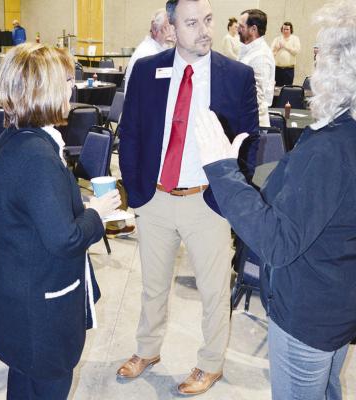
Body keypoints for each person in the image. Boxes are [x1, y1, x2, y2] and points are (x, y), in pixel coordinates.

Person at [194, 0, 356, 398]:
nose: (313, 67)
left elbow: (278, 241)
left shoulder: (331, 149)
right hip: (337, 303)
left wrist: (221, 170)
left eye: (319, 56)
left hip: (308, 316)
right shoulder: (342, 133)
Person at [117, 0, 258, 396]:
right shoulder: (147, 70)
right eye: (192, 23)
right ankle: (147, 350)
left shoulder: (237, 75)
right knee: (152, 286)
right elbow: (129, 132)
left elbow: (251, 141)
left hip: (207, 201)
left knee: (214, 290)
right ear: (172, 28)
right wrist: (136, 190)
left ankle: (210, 364)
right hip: (155, 198)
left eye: (208, 20)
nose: (204, 30)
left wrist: (231, 193)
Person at [0, 43, 121, 399]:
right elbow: (64, 240)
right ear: (42, 89)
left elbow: (34, 215)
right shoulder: (37, 155)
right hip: (40, 314)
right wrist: (97, 215)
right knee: (47, 386)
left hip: (16, 301)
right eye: (65, 80)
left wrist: (74, 205)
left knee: (23, 384)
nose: (71, 87)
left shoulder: (11, 139)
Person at [105, 9, 172, 240]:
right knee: (137, 177)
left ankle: (118, 219)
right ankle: (116, 219)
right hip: (141, 126)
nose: (172, 33)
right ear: (158, 29)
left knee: (137, 175)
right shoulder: (147, 55)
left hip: (143, 124)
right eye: (169, 28)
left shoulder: (157, 50)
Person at [238, 9, 275, 128]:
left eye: (241, 27)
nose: (238, 30)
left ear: (253, 29)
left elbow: (256, 99)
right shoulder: (249, 49)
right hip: (245, 119)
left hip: (253, 124)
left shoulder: (261, 56)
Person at [124, 8, 172, 93]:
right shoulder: (148, 53)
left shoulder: (158, 48)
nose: (171, 33)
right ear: (154, 30)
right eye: (167, 28)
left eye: (173, 28)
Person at [271, 22, 301, 86]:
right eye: (284, 29)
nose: (285, 31)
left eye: (287, 29)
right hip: (278, 69)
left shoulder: (295, 39)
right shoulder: (277, 39)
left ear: (291, 30)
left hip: (289, 69)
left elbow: (296, 52)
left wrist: (285, 46)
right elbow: (271, 52)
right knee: (277, 88)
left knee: (288, 88)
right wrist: (277, 48)